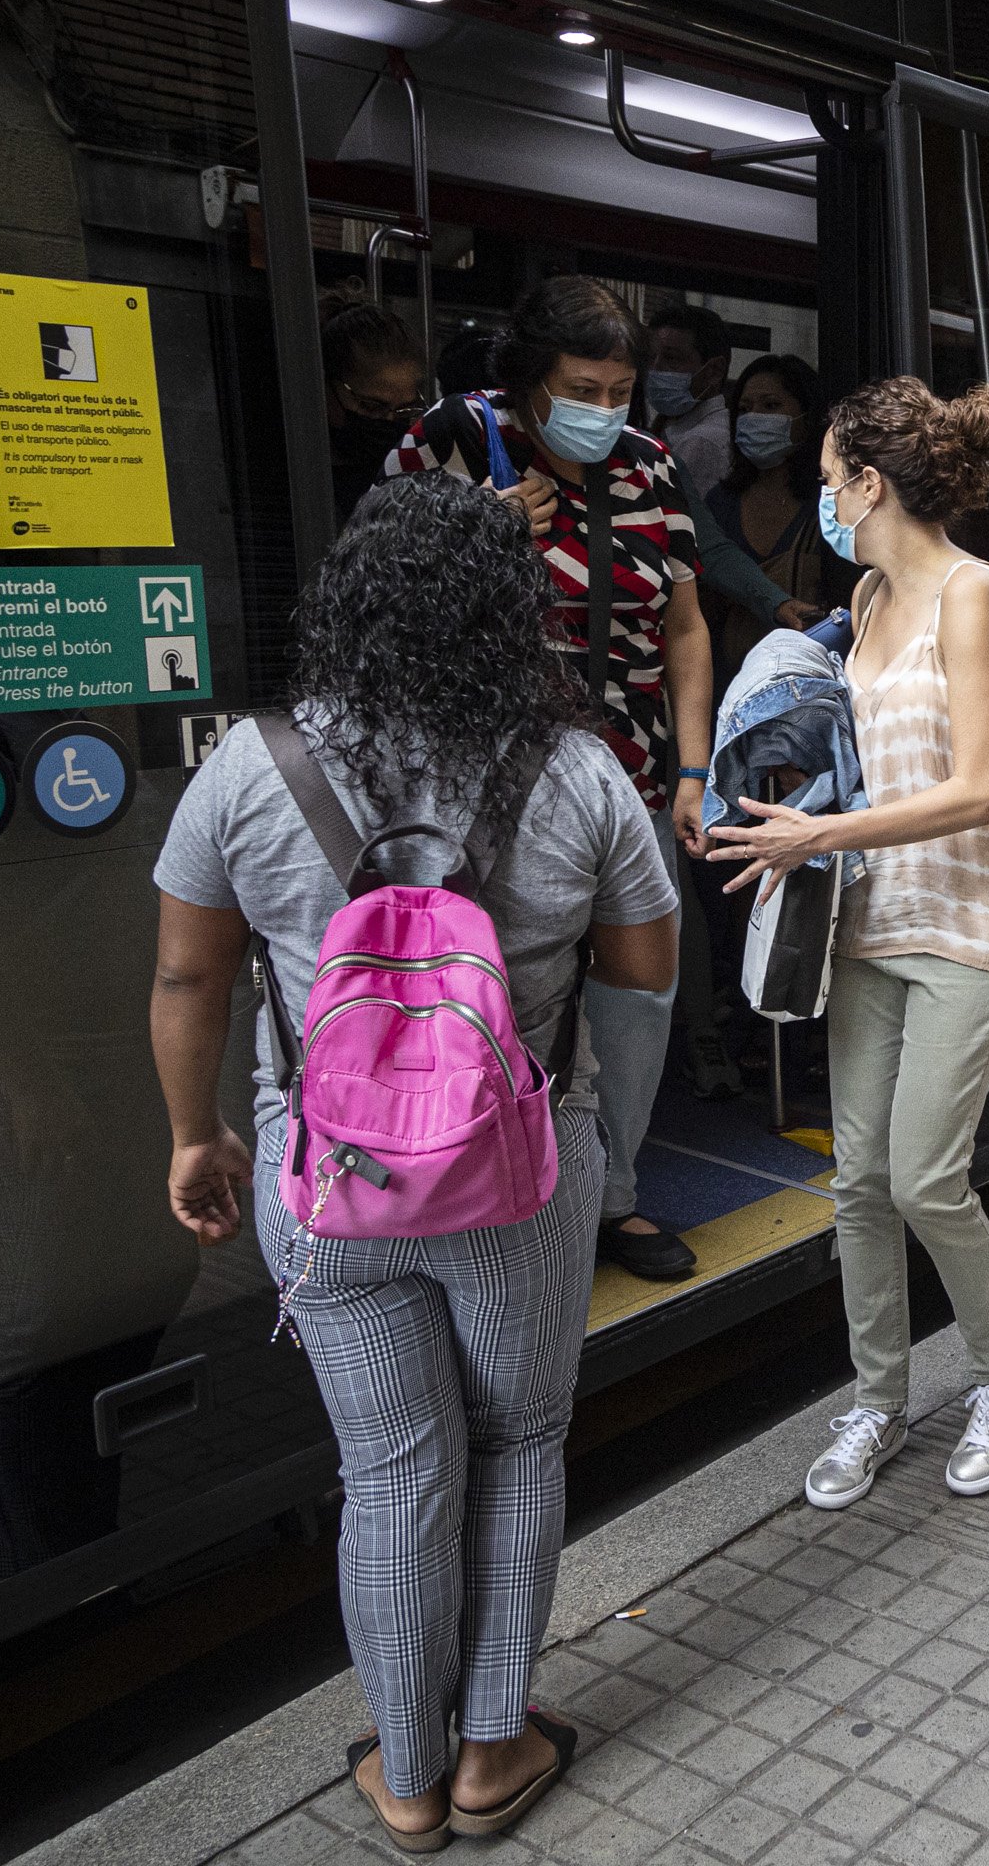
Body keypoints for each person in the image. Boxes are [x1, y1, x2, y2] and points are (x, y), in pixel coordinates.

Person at [148, 475, 680, 1847]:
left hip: (322, 1183)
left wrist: (196, 1132)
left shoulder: (248, 765)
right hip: (519, 1176)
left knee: (391, 1469)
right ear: (515, 617)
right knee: (519, 1441)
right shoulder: (578, 770)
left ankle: (405, 1775)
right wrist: (604, 1138)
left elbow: (186, 973)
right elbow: (643, 969)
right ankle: (496, 1749)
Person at [706, 377, 989, 1507]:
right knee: (857, 1177)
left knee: (925, 1174)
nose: (821, 496)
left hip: (971, 924)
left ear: (871, 481)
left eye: (826, 479)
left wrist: (823, 832)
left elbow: (981, 784)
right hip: (873, 917)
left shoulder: (975, 595)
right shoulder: (863, 598)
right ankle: (879, 1399)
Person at [385, 277, 714, 1282]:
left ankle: (610, 1197)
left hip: (634, 775)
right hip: (495, 789)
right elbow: (383, 610)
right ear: (528, 379)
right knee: (507, 991)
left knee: (637, 994)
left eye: (621, 390)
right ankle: (497, 1188)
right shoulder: (444, 443)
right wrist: (481, 535)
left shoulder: (651, 466)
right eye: (583, 386)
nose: (605, 409)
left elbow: (686, 628)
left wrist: (694, 768)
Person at [695, 353, 852, 677]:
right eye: (745, 409)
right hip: (725, 681)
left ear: (806, 419)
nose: (754, 418)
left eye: (770, 406)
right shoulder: (720, 503)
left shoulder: (828, 505)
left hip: (807, 682)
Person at [319, 290, 425, 524]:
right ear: (327, 388)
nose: (389, 421)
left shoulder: (416, 470)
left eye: (404, 410)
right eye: (371, 406)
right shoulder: (306, 477)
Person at [646, 302, 734, 493]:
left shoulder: (703, 442)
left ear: (714, 370)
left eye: (671, 358)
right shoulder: (670, 426)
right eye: (650, 358)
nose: (654, 369)